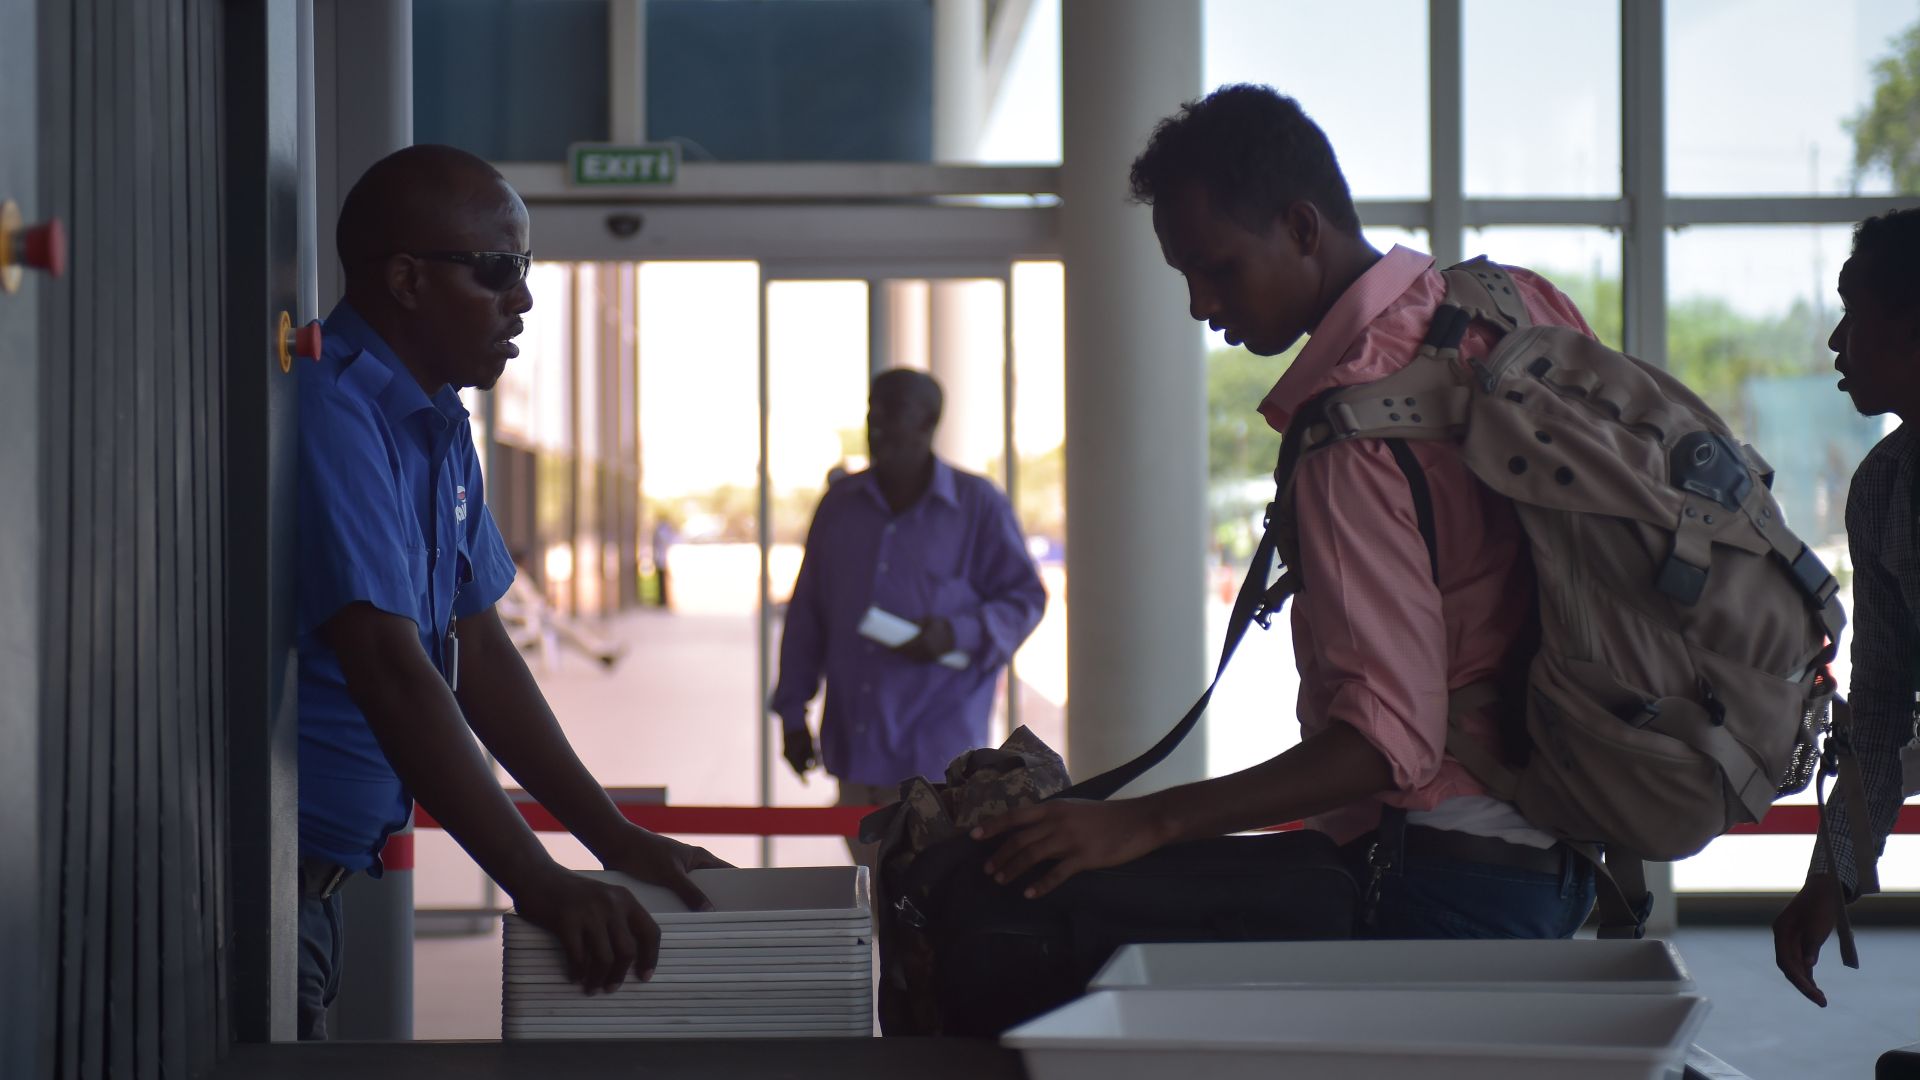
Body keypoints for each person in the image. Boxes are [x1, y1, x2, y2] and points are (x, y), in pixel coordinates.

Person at [975, 85, 1599, 939]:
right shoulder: (1512, 306)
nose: (1200, 303)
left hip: (1441, 874)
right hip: (1564, 851)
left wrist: (1143, 822)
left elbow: (1387, 745)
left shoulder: (1351, 427)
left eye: (1219, 266)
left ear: (1304, 228)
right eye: (1187, 276)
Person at [296, 144, 727, 1039]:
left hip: (320, 883)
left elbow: (480, 651)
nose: (523, 300)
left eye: (523, 270)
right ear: (407, 279)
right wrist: (540, 883)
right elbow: (390, 665)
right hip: (254, 883)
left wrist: (614, 841)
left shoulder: (441, 427)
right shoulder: (331, 408)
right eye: (498, 271)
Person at [772, 369, 1047, 870]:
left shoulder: (976, 505)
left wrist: (955, 632)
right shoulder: (839, 507)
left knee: (930, 913)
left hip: (940, 762)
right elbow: (808, 615)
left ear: (929, 422)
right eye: (873, 409)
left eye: (892, 412)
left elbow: (1025, 597)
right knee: (876, 900)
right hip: (855, 750)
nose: (877, 425)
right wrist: (792, 712)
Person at [1773, 207, 1920, 1007]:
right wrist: (1830, 876)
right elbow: (1881, 714)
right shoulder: (1882, 488)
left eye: (1854, 314)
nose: (1836, 341)